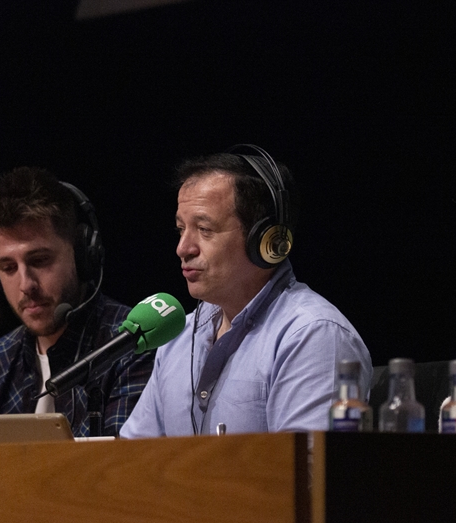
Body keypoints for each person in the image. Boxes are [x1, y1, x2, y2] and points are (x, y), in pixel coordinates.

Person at [121, 145, 372, 437]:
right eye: (180, 229)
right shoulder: (177, 337)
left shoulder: (312, 336)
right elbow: (133, 455)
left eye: (204, 229)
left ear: (265, 241)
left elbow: (305, 463)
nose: (183, 248)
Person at [0, 166, 154, 437]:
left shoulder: (131, 343)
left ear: (81, 253)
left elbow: (123, 461)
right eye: (8, 268)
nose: (26, 284)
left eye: (40, 260)